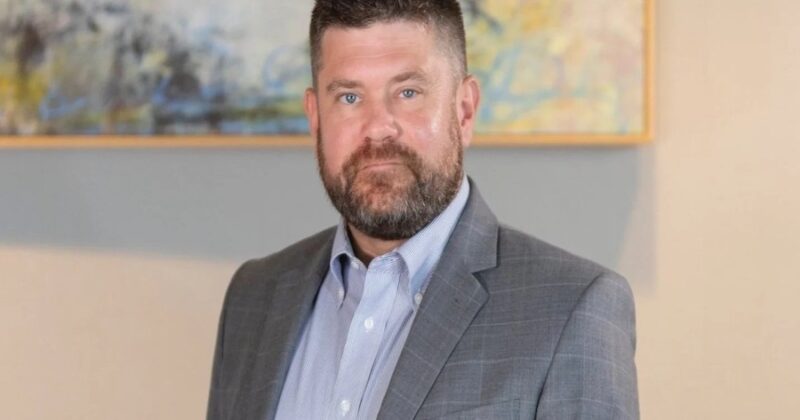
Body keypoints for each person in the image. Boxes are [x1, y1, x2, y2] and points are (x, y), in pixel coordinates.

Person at [207, 1, 639, 419]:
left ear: (464, 111)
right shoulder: (253, 297)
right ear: (315, 116)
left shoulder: (572, 309)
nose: (378, 128)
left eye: (408, 92)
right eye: (349, 97)